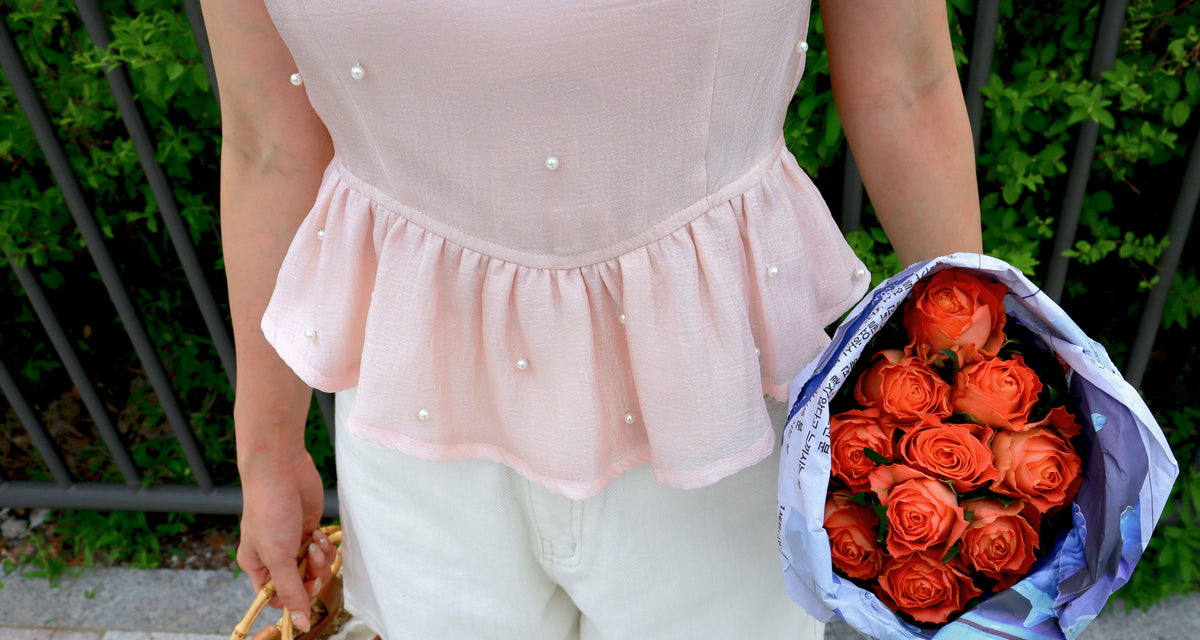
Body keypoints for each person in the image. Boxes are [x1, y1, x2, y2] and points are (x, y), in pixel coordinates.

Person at [201, 0, 983, 638]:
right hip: (413, 415)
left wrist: (973, 388)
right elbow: (269, 142)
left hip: (718, 405)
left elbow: (904, 83)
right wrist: (265, 450)